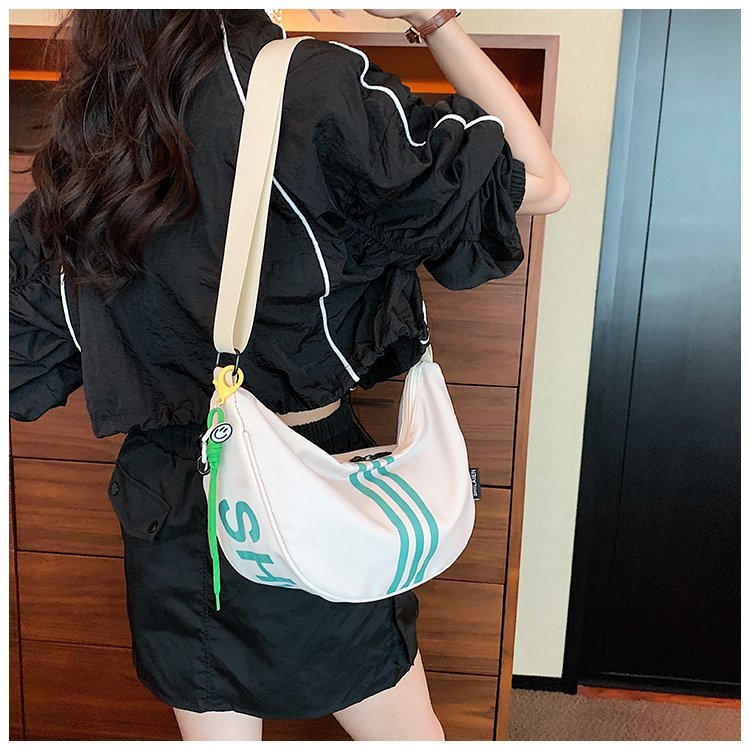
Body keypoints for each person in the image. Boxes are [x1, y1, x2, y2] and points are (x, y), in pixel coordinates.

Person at [9, 8, 569, 742]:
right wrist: (429, 17)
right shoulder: (315, 87)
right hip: (311, 478)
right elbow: (541, 182)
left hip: (170, 501)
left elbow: (25, 349)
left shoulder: (96, 119)